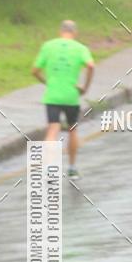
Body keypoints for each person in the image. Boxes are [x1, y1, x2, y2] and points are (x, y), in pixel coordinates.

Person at [32, 20, 94, 179]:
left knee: (53, 129)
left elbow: (35, 70)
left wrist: (47, 82)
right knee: (72, 130)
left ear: (60, 32)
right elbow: (91, 66)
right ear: (75, 33)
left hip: (52, 95)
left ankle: (48, 167)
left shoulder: (48, 46)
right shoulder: (81, 48)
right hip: (71, 95)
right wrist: (85, 87)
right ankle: (72, 168)